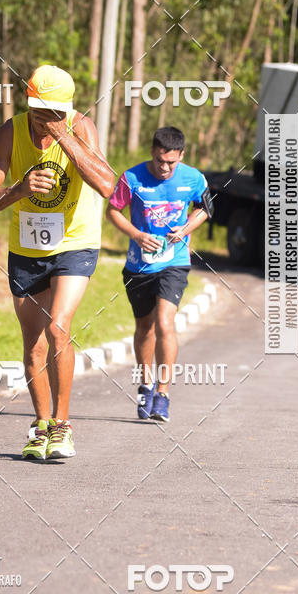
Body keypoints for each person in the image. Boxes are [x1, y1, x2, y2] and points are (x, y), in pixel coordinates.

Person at [0, 65, 114, 460]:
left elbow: (107, 186)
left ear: (66, 108)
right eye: (37, 108)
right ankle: (41, 426)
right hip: (27, 246)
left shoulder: (80, 127)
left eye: (52, 110)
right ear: (28, 101)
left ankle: (64, 426)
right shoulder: (11, 131)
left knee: (58, 328)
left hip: (75, 241)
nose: (43, 117)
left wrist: (63, 136)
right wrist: (18, 189)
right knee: (33, 344)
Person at [105, 126, 212, 423]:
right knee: (145, 329)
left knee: (165, 323)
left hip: (174, 262)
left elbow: (205, 208)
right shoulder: (132, 177)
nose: (165, 168)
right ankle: (145, 385)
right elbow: (112, 211)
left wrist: (186, 229)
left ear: (181, 156)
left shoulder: (193, 178)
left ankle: (163, 395)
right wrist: (137, 235)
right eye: (160, 161)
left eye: (171, 163)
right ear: (153, 152)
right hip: (138, 266)